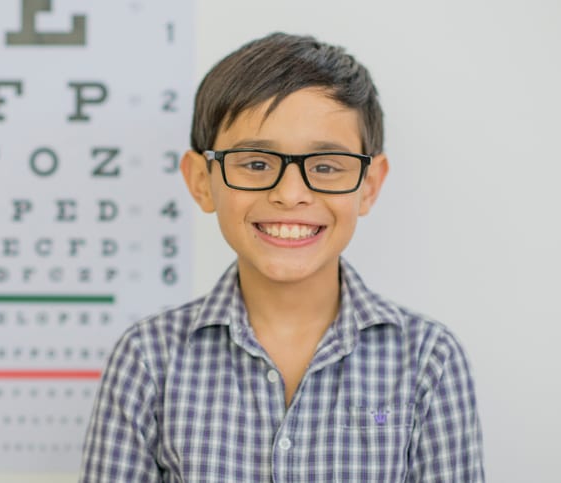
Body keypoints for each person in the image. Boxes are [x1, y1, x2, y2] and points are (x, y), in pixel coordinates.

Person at [78, 32, 484, 482]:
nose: (290, 195)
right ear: (200, 180)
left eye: (326, 167)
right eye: (255, 163)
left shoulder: (428, 359)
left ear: (369, 184)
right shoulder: (148, 359)